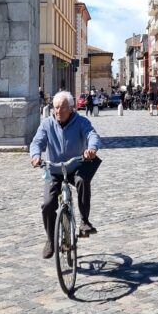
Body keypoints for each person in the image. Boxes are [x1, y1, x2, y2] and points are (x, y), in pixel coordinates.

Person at [30, 90, 101, 259]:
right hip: (54, 170)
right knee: (47, 205)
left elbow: (92, 135)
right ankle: (51, 239)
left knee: (82, 181)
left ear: (71, 108)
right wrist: (35, 156)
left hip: (75, 166)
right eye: (55, 108)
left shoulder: (81, 122)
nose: (58, 111)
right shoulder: (47, 124)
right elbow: (37, 141)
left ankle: (84, 221)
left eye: (62, 108)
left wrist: (92, 148)